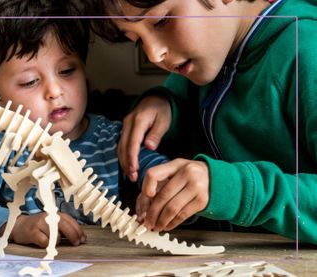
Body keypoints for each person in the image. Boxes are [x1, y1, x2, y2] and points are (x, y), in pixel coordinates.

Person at [0, 0, 169, 248]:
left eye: (67, 70)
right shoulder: (1, 145)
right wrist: (16, 225)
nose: (55, 91)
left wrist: (159, 193)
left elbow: (163, 175)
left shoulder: (115, 139)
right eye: (30, 81)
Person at [85, 0, 317, 245]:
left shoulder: (308, 51)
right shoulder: (213, 57)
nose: (154, 54)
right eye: (139, 41)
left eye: (161, 21)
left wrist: (235, 190)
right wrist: (165, 103)